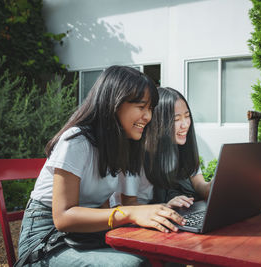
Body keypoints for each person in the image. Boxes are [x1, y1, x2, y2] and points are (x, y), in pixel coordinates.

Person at [18, 67, 186, 266]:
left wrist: (156, 212)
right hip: (47, 242)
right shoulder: (76, 140)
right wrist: (131, 213)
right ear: (114, 104)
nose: (148, 117)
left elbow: (102, 208)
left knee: (171, 252)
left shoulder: (116, 146)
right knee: (130, 264)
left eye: (150, 109)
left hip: (85, 236)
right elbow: (63, 217)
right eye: (142, 107)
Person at [115, 87, 212, 209]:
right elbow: (128, 204)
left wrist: (215, 184)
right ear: (158, 122)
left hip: (166, 213)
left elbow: (199, 186)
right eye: (176, 119)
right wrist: (165, 206)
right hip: (137, 220)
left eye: (187, 116)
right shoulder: (136, 154)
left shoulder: (182, 146)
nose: (185, 124)